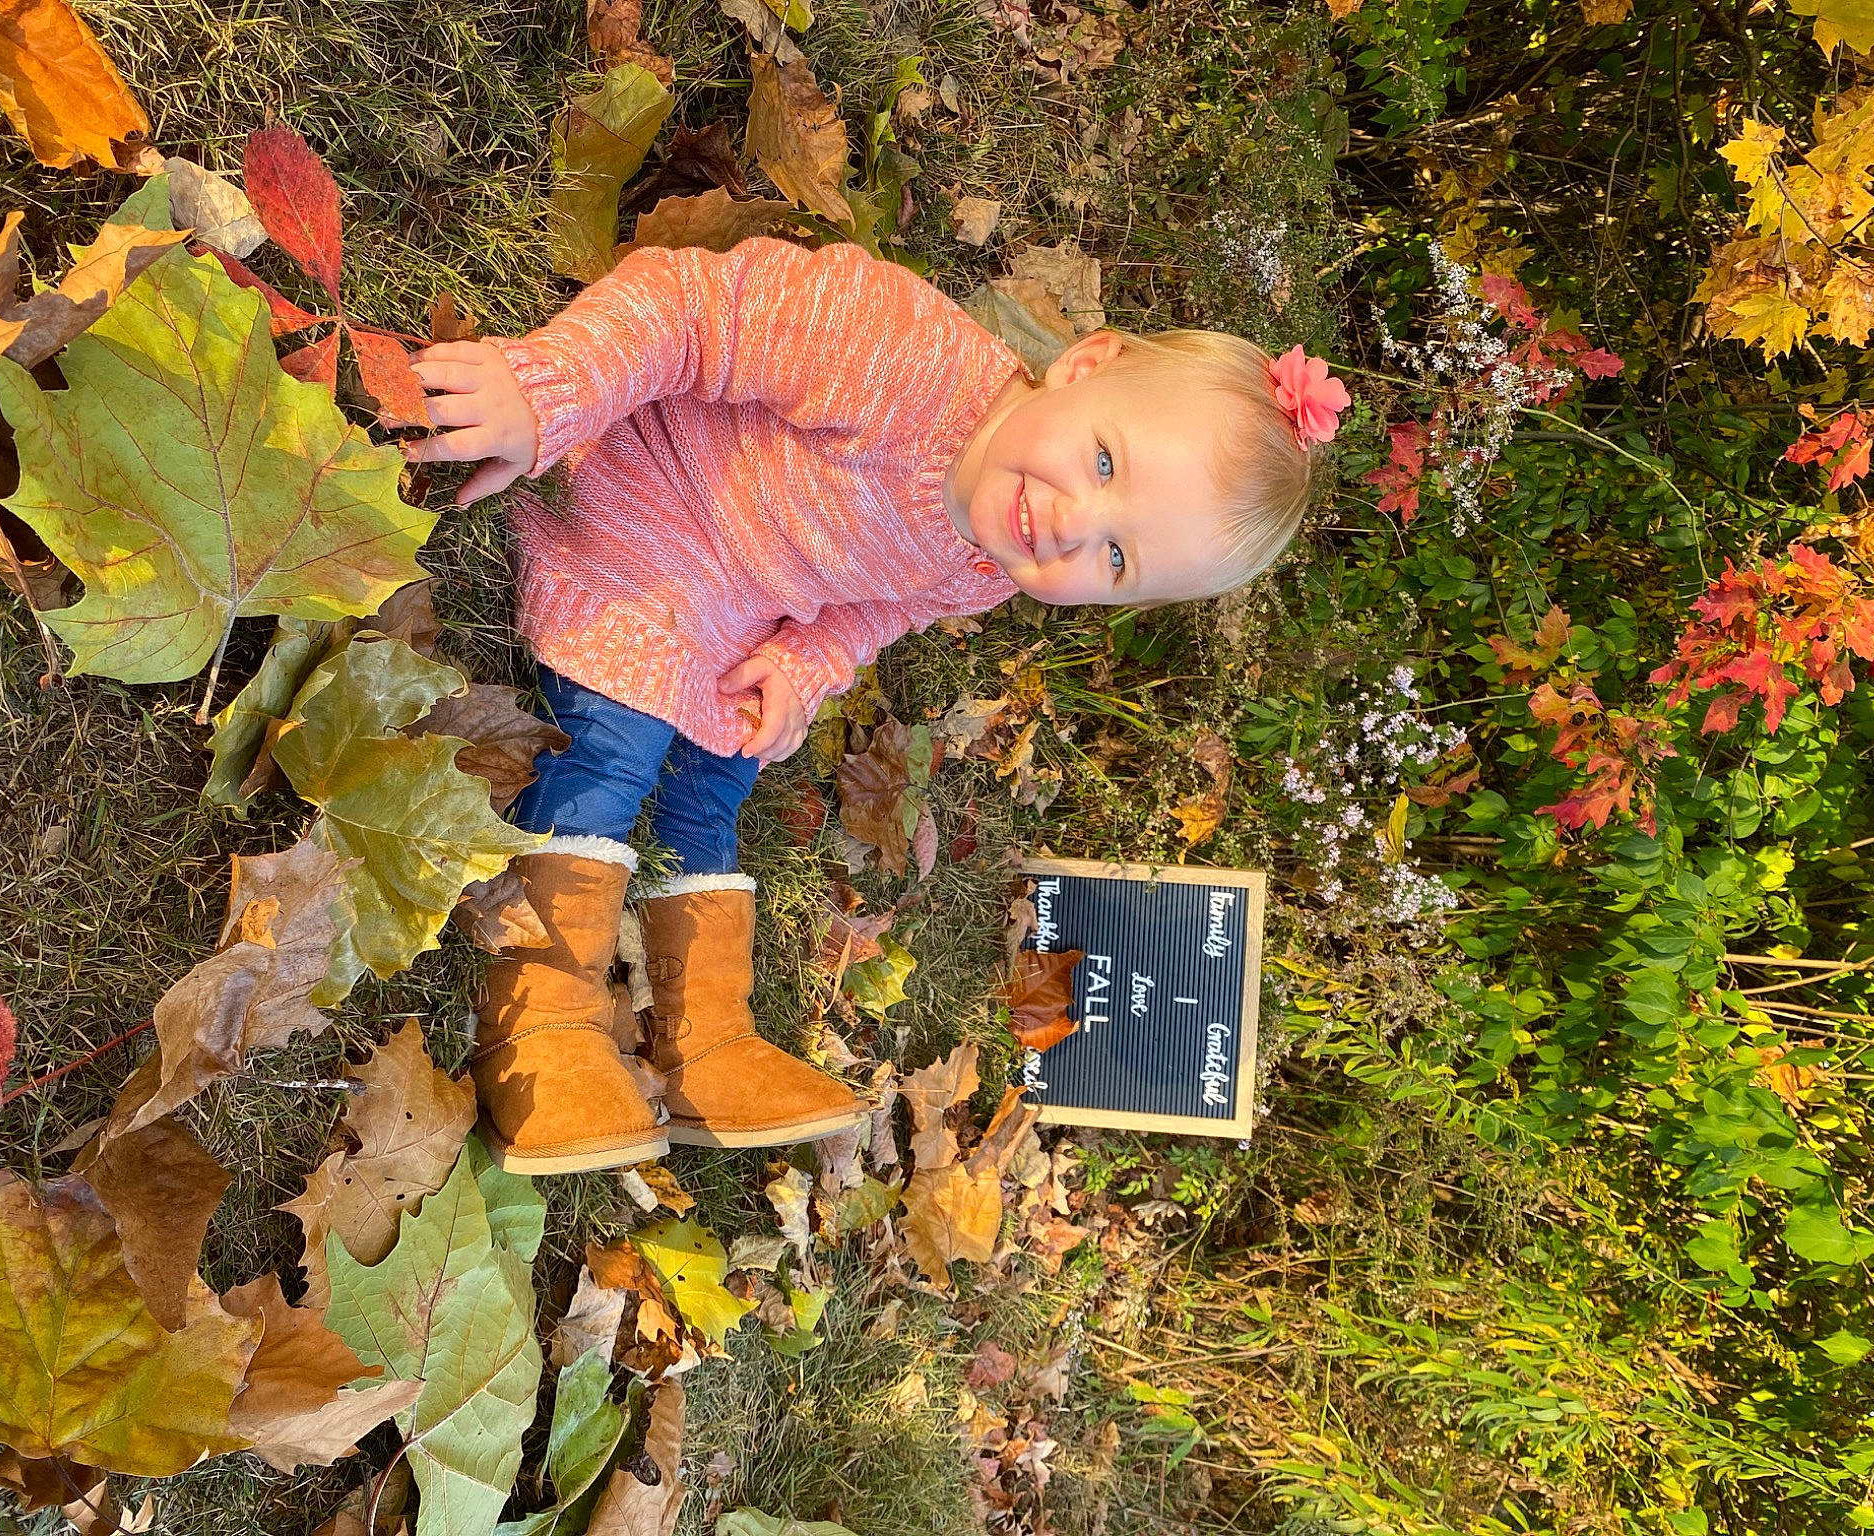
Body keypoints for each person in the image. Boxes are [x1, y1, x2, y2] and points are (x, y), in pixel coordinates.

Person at [407, 235, 1349, 1175]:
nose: (1073, 524)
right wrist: (556, 386)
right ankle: (539, 1023)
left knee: (721, 773)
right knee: (619, 738)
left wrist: (806, 663)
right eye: (1105, 464)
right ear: (1084, 365)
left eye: (1115, 559)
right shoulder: (900, 355)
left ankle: (708, 1038)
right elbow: (694, 307)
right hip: (640, 495)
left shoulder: (995, 558)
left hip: (735, 605)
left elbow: (884, 607)